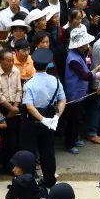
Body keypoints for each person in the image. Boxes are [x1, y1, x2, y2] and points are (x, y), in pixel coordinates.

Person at [20, 48, 66, 188]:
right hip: (50, 120)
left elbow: (29, 106)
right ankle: (49, 180)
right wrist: (56, 117)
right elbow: (62, 100)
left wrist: (41, 119)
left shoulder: (29, 84)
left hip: (32, 122)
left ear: (33, 64)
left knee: (29, 152)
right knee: (48, 152)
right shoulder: (56, 81)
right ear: (48, 65)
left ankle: (28, 181)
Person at [64, 28, 100, 154]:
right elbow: (85, 76)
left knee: (78, 118)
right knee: (73, 120)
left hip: (81, 92)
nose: (86, 46)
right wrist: (99, 67)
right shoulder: (73, 59)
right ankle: (69, 143)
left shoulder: (79, 54)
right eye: (84, 44)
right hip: (74, 93)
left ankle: (75, 138)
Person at [0, 49, 22, 173]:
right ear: (0, 61)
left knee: (12, 139)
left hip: (14, 107)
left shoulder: (16, 71)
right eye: (8, 60)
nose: (11, 63)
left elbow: (19, 90)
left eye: (12, 60)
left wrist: (15, 107)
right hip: (0, 108)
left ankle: (10, 165)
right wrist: (11, 108)